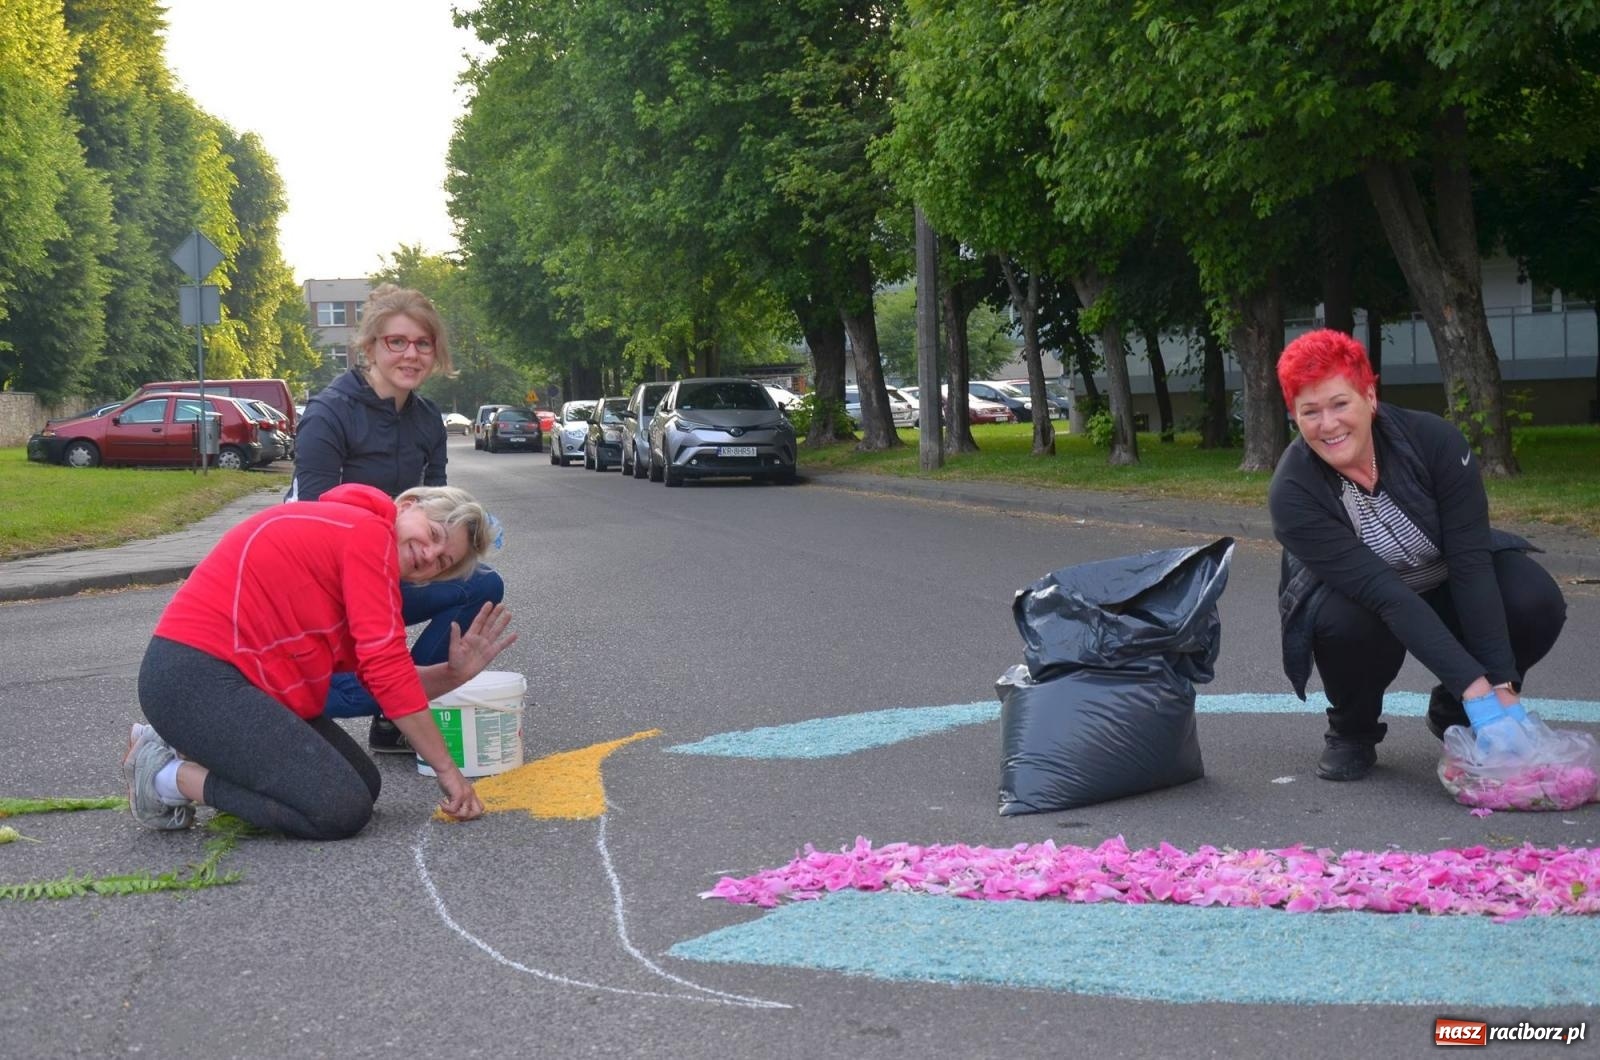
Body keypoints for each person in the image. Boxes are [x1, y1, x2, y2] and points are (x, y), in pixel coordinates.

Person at [125, 483, 517, 839]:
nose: (429, 554)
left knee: (363, 784)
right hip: (193, 678)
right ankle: (165, 776)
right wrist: (448, 771)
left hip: (227, 683)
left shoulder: (361, 553)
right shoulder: (368, 534)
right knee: (338, 809)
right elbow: (387, 670)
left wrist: (453, 675)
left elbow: (374, 680)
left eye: (443, 562)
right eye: (432, 534)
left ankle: (192, 746)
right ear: (407, 505)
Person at [1268, 329, 1567, 782]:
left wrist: (1500, 689)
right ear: (1294, 416)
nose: (1327, 425)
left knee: (1532, 598)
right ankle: (1353, 729)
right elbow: (1386, 594)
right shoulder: (1292, 493)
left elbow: (1470, 565)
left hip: (1445, 576)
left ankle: (1453, 708)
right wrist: (1477, 689)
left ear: (1369, 395)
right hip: (1369, 600)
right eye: (1310, 412)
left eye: (1340, 404)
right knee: (1340, 625)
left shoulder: (1435, 442)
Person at [289, 284, 506, 755]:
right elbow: (313, 521)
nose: (411, 354)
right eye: (397, 342)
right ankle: (302, 701)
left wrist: (471, 529)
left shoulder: (428, 419)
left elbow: (439, 503)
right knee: (341, 689)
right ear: (369, 347)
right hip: (336, 588)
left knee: (482, 583)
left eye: (422, 344)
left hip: (396, 570)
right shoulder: (330, 414)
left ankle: (394, 718)